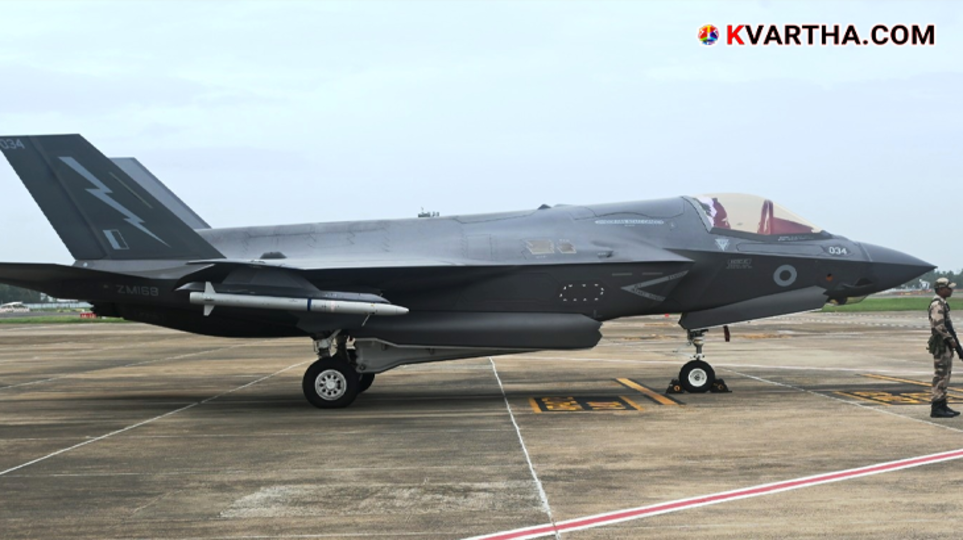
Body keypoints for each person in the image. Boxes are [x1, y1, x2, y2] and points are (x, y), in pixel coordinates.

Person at [928, 277, 959, 418]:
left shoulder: (942, 303)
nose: (951, 290)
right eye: (948, 288)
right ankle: (937, 407)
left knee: (945, 375)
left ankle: (942, 404)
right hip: (941, 344)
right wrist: (950, 340)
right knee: (941, 375)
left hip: (944, 343)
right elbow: (939, 325)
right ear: (941, 289)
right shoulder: (937, 304)